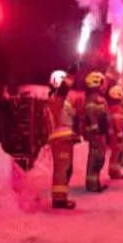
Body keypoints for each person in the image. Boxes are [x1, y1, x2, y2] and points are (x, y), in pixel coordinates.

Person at [44, 69, 79, 210]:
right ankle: (59, 200)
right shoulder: (55, 98)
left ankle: (61, 197)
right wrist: (71, 75)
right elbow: (64, 89)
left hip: (64, 138)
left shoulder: (59, 100)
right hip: (60, 138)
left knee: (66, 169)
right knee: (62, 169)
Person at [82, 71, 110, 193]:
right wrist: (95, 129)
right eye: (102, 83)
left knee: (99, 157)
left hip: (100, 132)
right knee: (95, 157)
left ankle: (95, 181)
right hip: (96, 133)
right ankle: (92, 184)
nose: (104, 86)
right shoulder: (92, 98)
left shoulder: (98, 98)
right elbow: (90, 114)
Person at [106, 83, 123, 181]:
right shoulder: (116, 108)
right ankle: (114, 173)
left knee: (115, 154)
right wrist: (120, 133)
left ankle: (115, 172)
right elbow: (116, 121)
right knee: (116, 154)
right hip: (116, 135)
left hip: (114, 134)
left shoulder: (113, 107)